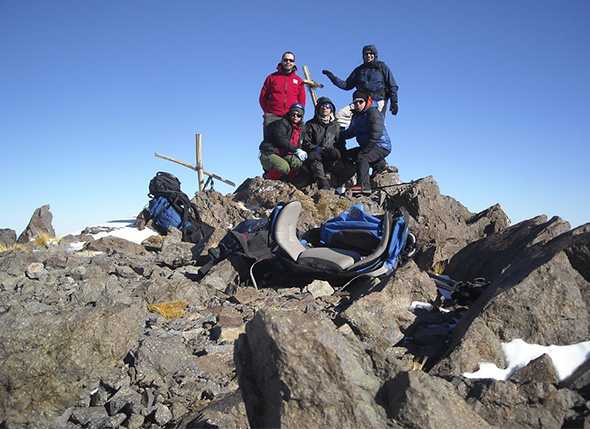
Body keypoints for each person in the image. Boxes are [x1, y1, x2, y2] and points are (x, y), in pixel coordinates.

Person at [322, 45, 398, 128]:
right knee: (340, 116)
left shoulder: (382, 67)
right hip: (361, 101)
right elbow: (347, 85)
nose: (368, 55)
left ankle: (377, 134)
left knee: (374, 126)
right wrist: (332, 77)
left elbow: (392, 85)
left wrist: (394, 102)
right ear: (363, 56)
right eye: (366, 54)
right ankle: (340, 139)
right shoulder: (359, 70)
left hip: (378, 101)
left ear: (375, 55)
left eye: (371, 53)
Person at [340, 90, 391, 193]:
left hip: (380, 145)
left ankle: (363, 186)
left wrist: (365, 151)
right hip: (369, 145)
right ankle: (379, 165)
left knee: (362, 156)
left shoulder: (373, 113)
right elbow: (351, 132)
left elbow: (376, 134)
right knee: (347, 155)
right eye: (355, 102)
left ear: (367, 101)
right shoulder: (357, 116)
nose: (357, 104)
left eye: (360, 101)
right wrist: (339, 135)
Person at [259, 103, 308, 183]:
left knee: (298, 163)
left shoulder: (301, 129)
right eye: (293, 114)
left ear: (301, 117)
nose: (295, 116)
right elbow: (280, 140)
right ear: (289, 114)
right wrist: (296, 150)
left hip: (285, 153)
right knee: (284, 167)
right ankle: (268, 179)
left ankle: (287, 181)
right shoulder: (281, 123)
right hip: (270, 153)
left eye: (298, 115)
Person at [302, 97, 343, 189]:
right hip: (315, 154)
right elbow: (305, 142)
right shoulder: (310, 124)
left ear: (331, 110)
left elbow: (340, 143)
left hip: (330, 155)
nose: (325, 108)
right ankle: (323, 184)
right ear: (318, 109)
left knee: (338, 156)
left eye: (328, 106)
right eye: (322, 106)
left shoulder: (335, 126)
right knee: (315, 158)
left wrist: (339, 153)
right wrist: (316, 148)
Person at [259, 51, 306, 130]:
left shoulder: (298, 80)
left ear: (294, 63)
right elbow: (262, 97)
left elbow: (302, 100)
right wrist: (268, 112)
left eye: (291, 60)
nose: (288, 62)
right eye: (286, 60)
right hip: (272, 117)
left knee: (289, 142)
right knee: (270, 142)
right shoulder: (272, 77)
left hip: (290, 118)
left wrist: (298, 114)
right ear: (281, 61)